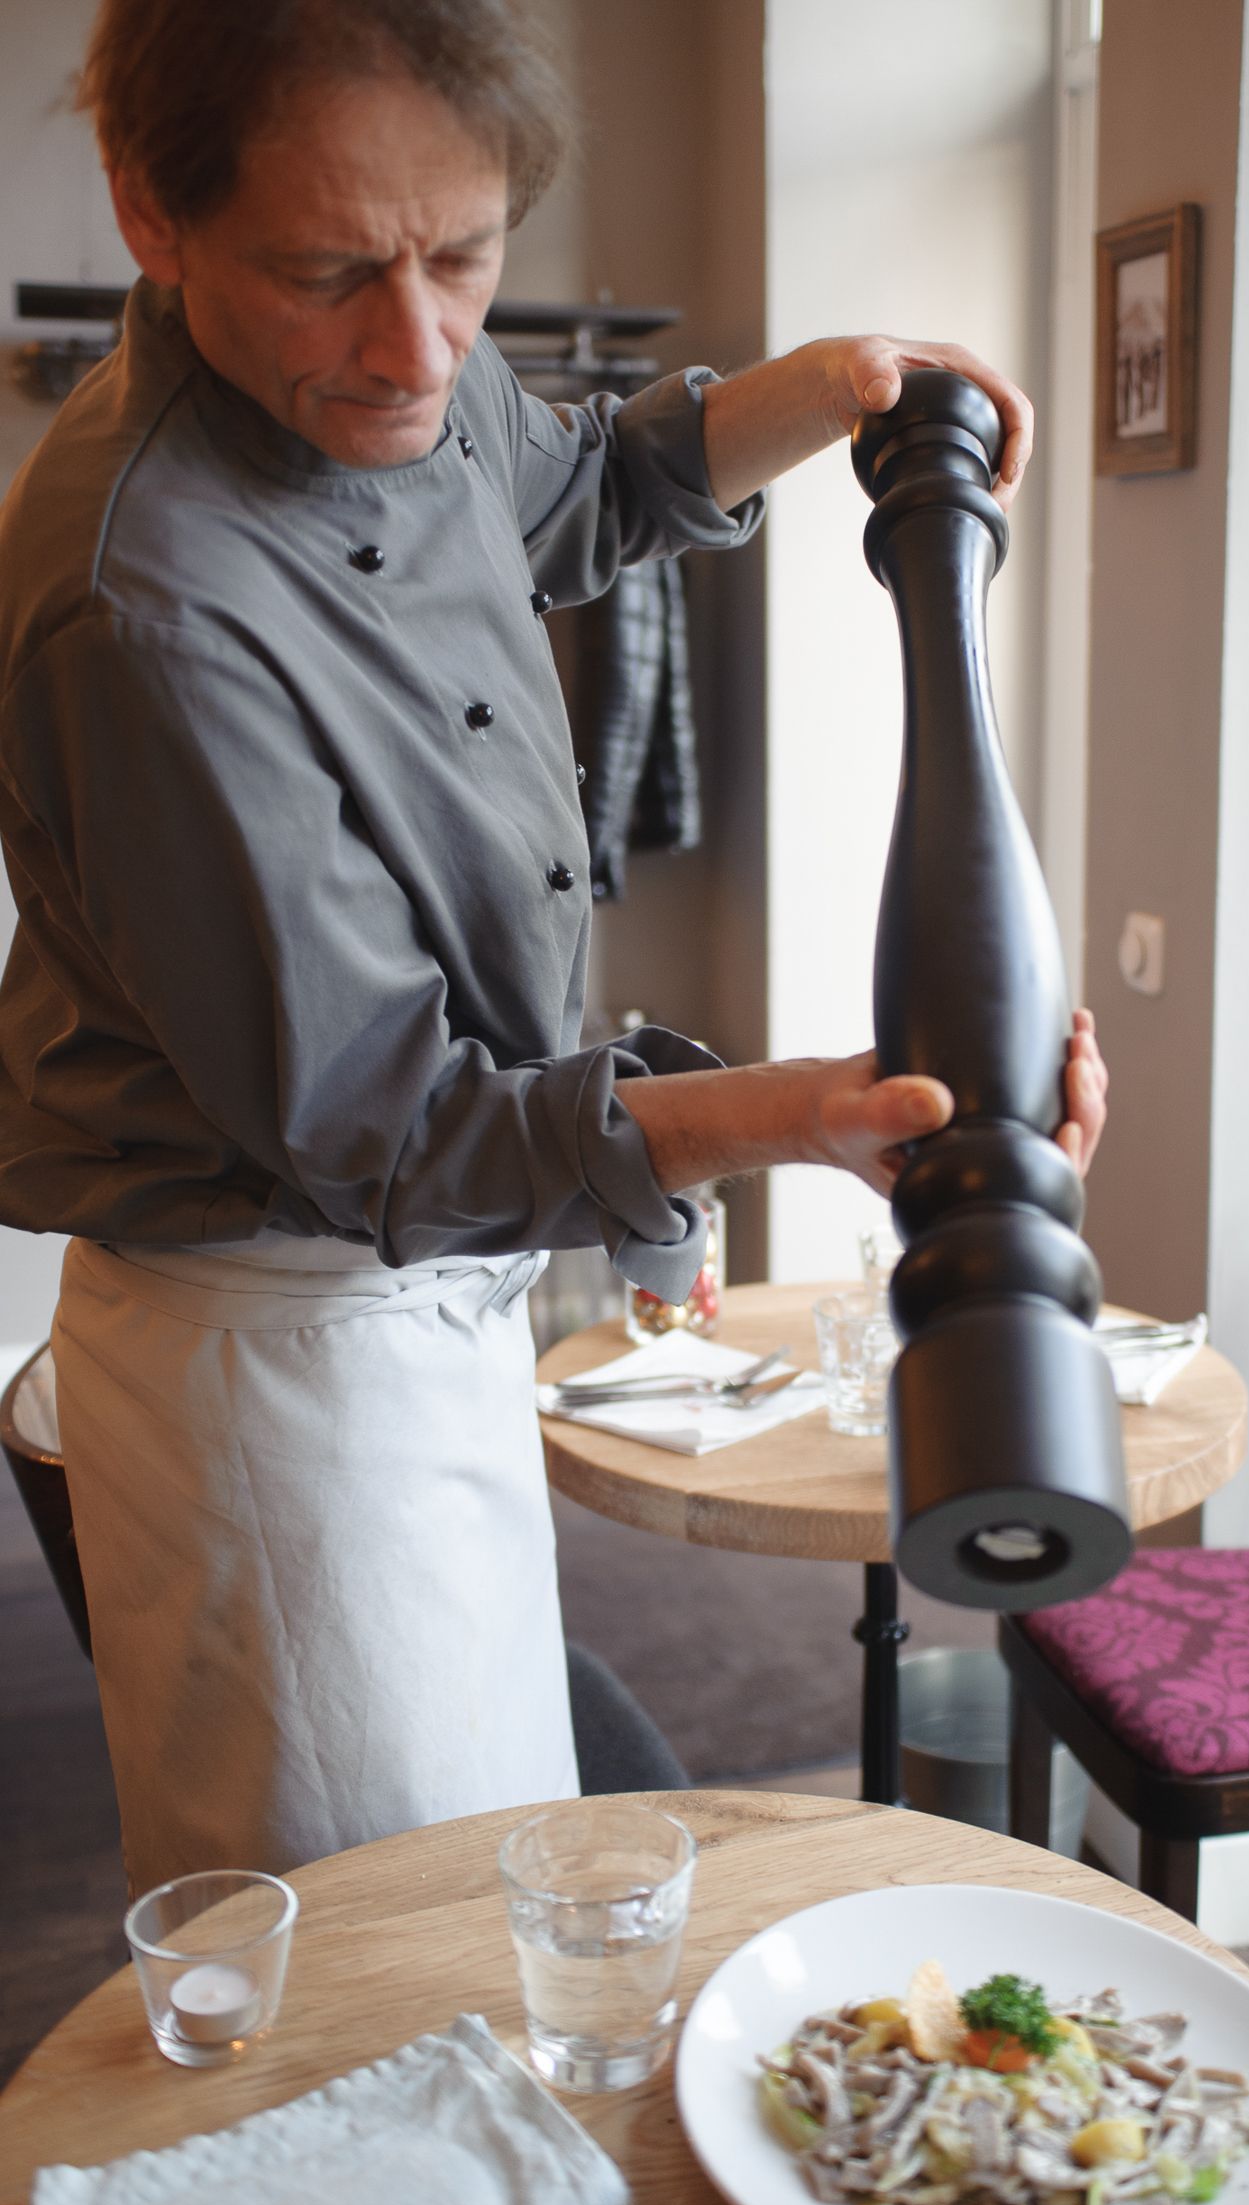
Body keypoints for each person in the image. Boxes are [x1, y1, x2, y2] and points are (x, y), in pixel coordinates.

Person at [0, 0, 1107, 1895]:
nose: (418, 345)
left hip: (428, 1305)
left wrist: (831, 386)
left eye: (465, 253)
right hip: (287, 1354)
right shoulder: (150, 615)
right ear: (148, 211)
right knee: (385, 1963)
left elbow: (562, 482)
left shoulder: (380, 373)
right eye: (333, 268)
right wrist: (790, 1118)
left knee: (492, 1885)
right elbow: (398, 1130)